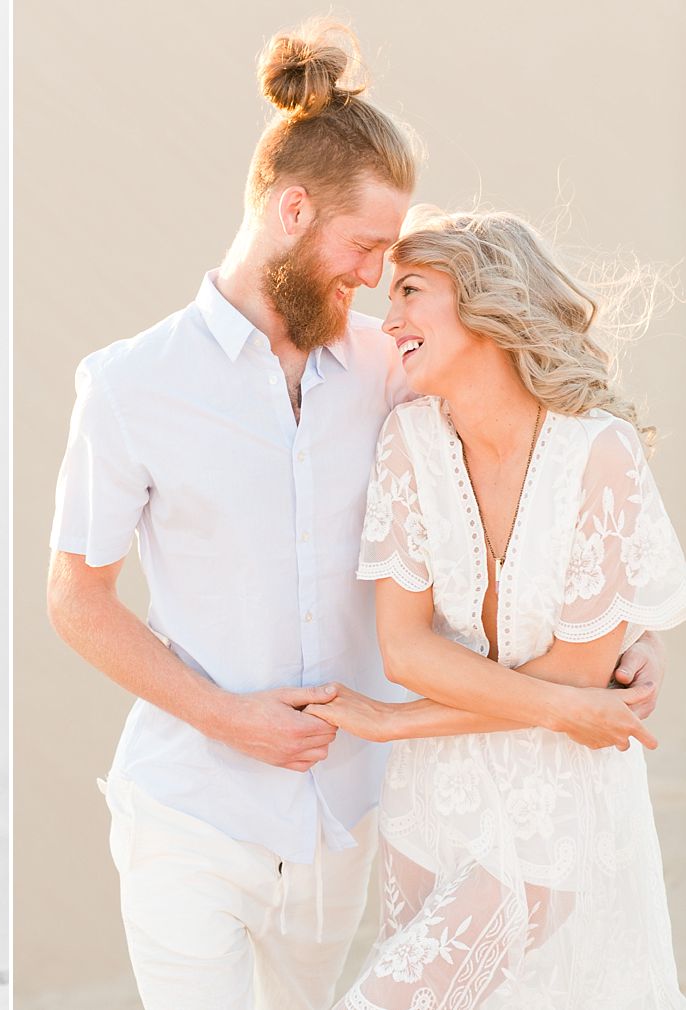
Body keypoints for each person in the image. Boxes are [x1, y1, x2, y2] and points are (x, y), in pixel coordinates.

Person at [45, 20, 666, 1010]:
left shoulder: (393, 369)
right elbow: (77, 598)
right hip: (189, 809)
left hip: (349, 816)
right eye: (367, 245)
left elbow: (520, 478)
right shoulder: (129, 384)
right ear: (292, 209)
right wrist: (227, 717)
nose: (376, 278)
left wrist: (608, 643)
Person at [301, 209, 685, 1008]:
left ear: (485, 302)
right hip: (428, 808)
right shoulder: (410, 440)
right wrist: (557, 705)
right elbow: (406, 651)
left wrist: (394, 721)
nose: (389, 316)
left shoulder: (598, 453)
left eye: (411, 290)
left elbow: (582, 674)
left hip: (554, 812)